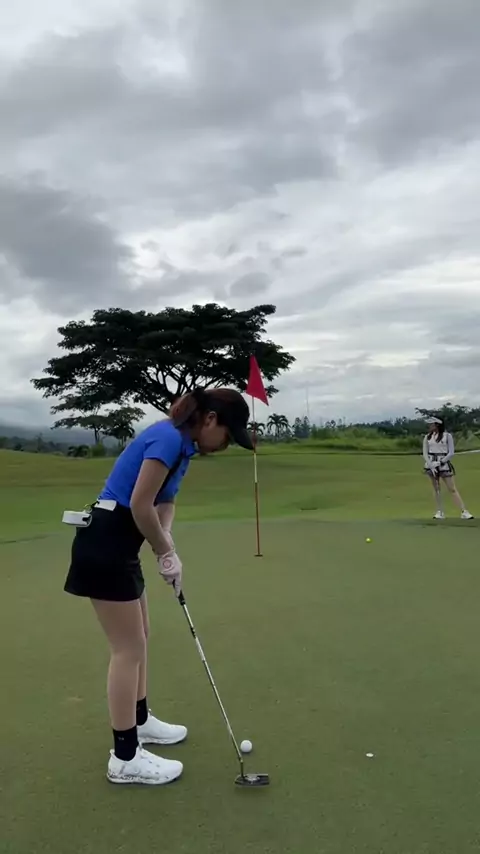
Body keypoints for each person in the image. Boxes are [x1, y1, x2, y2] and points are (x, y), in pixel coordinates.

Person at [64, 387, 253, 786]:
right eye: (227, 435)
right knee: (127, 648)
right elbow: (139, 503)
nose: (225, 445)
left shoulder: (183, 447)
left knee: (141, 636)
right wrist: (163, 551)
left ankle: (140, 721)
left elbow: (164, 504)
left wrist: (167, 544)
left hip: (122, 545)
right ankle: (125, 757)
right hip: (105, 542)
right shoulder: (167, 437)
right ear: (210, 420)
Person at [422, 416, 473, 521]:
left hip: (443, 464)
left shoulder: (447, 436)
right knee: (436, 488)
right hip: (431, 464)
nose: (430, 426)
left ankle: (464, 511)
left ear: (437, 424)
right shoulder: (427, 437)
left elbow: (451, 452)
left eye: (432, 424)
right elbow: (425, 453)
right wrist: (430, 464)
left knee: (452, 488)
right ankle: (439, 511)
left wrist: (440, 462)